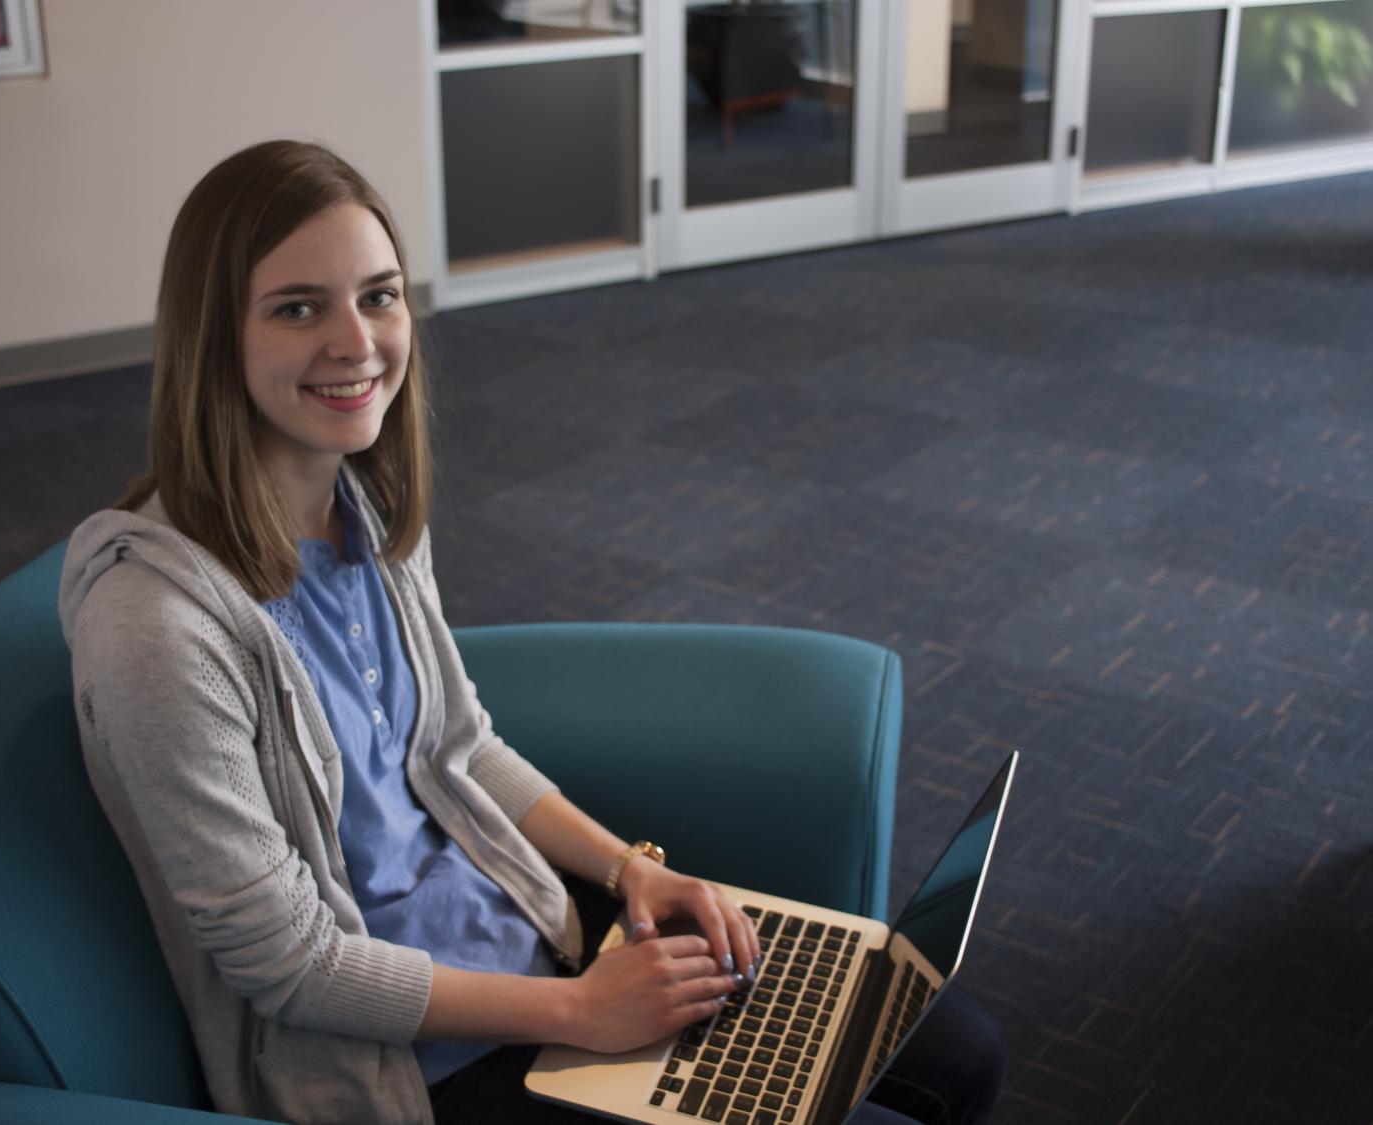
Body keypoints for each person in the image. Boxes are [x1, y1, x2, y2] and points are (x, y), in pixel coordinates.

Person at [58, 139, 1004, 1125]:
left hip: (535, 944)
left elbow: (458, 750)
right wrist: (584, 1012)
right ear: (213, 336)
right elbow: (290, 964)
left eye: (379, 296)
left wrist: (635, 869)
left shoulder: (360, 508)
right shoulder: (154, 631)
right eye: (299, 308)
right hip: (406, 1068)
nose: (357, 342)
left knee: (959, 1049)